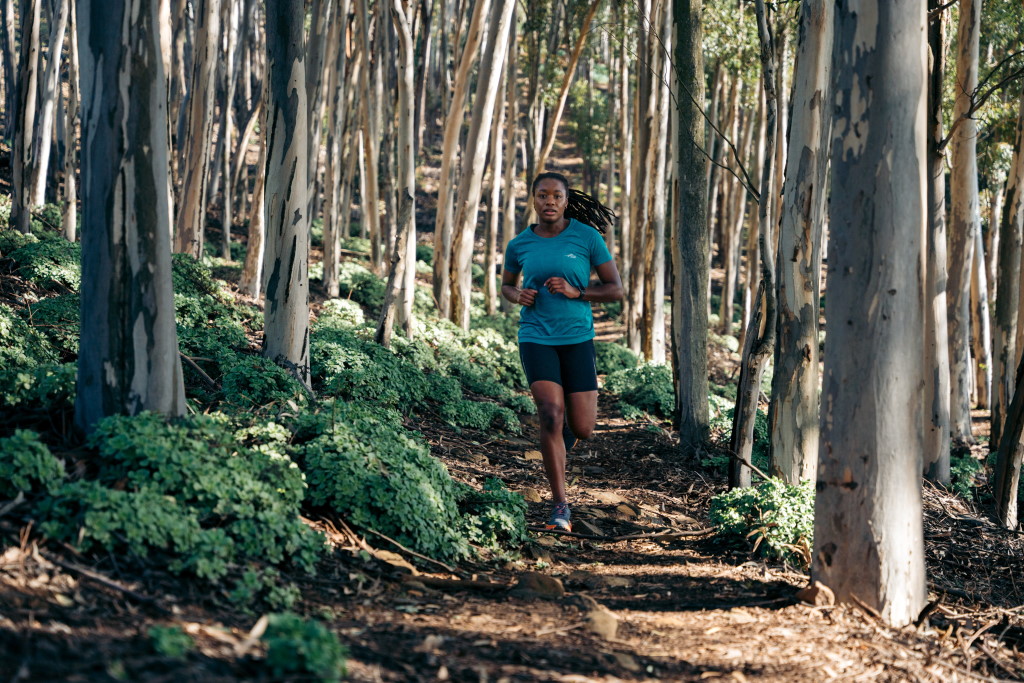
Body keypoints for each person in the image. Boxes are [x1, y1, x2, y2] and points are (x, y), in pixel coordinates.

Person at [501, 172, 624, 532]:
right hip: (536, 336)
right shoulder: (520, 244)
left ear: (566, 200)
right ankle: (560, 505)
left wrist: (577, 292)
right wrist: (517, 295)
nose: (549, 201)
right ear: (533, 200)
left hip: (577, 338)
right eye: (542, 195)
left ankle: (557, 447)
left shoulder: (587, 238)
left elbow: (615, 289)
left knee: (583, 427)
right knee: (551, 414)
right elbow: (507, 286)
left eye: (556, 195)